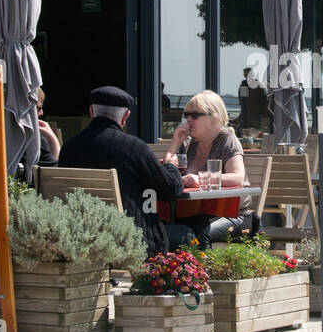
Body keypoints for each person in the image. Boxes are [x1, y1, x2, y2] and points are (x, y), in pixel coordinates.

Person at [57, 85, 191, 255]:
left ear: (91, 111)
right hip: (132, 238)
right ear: (125, 116)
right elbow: (172, 190)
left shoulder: (69, 147)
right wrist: (171, 165)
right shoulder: (134, 149)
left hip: (83, 237)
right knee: (187, 234)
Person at [166, 90, 251, 245]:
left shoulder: (227, 141)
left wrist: (199, 179)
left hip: (232, 214)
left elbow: (237, 178)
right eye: (186, 115)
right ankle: (175, 267)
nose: (189, 119)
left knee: (198, 232)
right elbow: (166, 174)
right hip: (195, 211)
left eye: (195, 115)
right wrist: (175, 143)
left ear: (214, 117)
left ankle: (199, 269)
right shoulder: (187, 144)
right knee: (166, 225)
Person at [35, 87, 59, 168]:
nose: (41, 112)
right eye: (39, 108)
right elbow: (53, 171)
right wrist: (52, 138)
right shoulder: (32, 137)